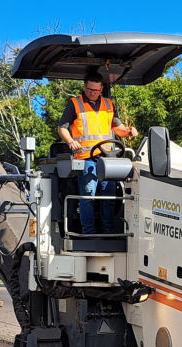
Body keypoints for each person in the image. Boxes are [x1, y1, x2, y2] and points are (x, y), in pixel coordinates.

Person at [57, 73, 138, 234]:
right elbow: (62, 127)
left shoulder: (108, 104)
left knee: (108, 196)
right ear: (84, 86)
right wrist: (70, 141)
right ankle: (88, 232)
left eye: (95, 90)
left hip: (108, 159)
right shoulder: (75, 104)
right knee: (88, 195)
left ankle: (108, 230)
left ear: (101, 88)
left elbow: (117, 128)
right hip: (87, 158)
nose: (92, 92)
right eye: (89, 89)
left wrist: (128, 132)